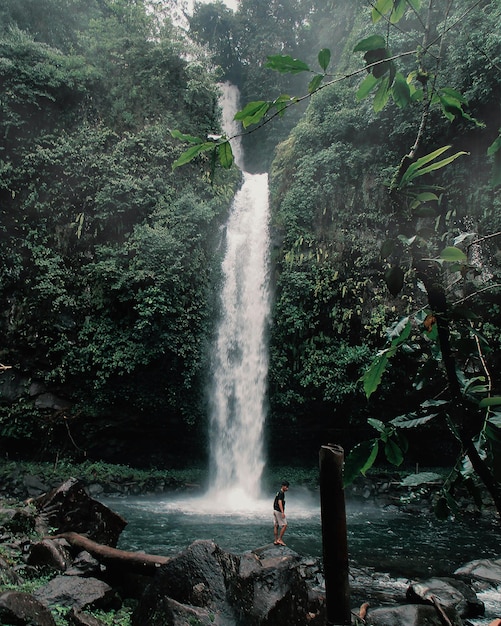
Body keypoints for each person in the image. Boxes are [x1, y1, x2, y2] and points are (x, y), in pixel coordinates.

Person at [273, 480, 289, 546]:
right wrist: (282, 512)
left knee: (276, 526)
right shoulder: (281, 493)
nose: (287, 488)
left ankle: (276, 540)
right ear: (283, 486)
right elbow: (279, 502)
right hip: (278, 511)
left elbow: (275, 501)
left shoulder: (278, 492)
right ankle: (280, 539)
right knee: (285, 525)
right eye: (286, 487)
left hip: (275, 510)